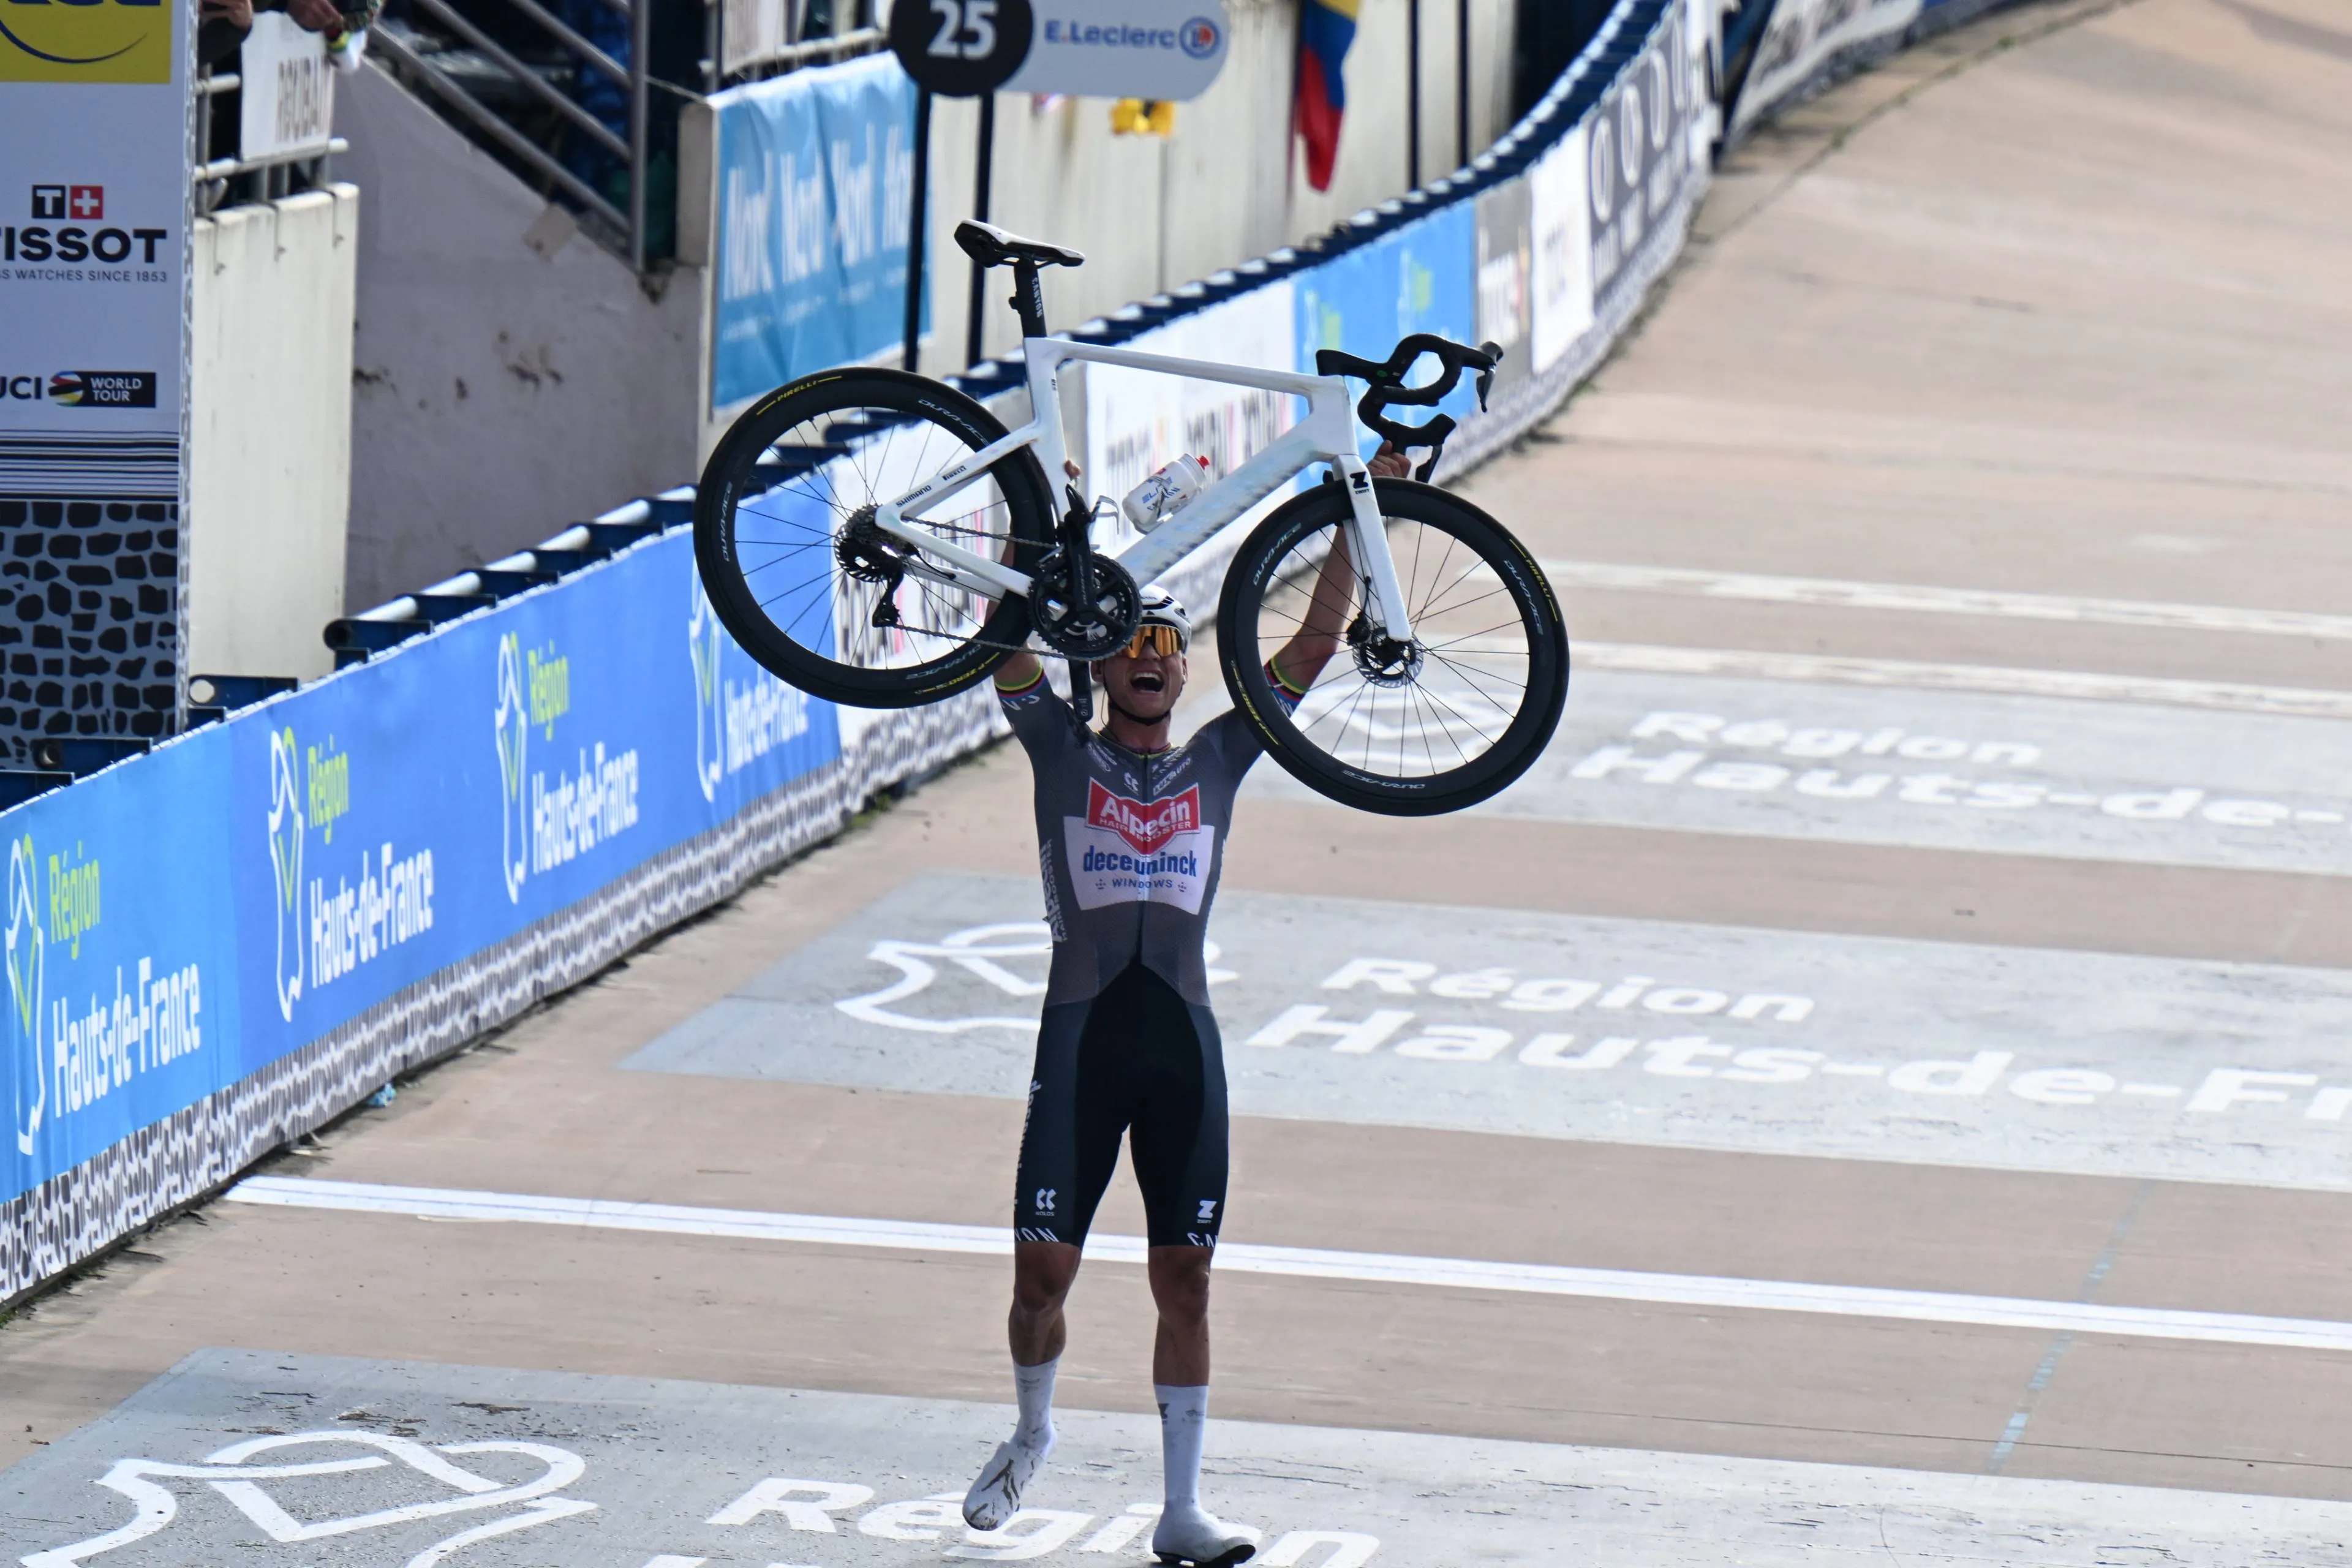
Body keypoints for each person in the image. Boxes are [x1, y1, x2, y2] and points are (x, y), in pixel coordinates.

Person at [962, 450, 1407, 1567]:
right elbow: (1004, 639)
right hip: (1082, 1040)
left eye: (1168, 648)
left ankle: (1180, 1510)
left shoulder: (1222, 754)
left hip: (1183, 1048)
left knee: (1188, 1277)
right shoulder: (1057, 750)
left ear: (1185, 667)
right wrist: (1033, 526)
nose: (1151, 664)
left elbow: (1309, 648)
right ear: (1105, 663)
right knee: (1041, 1279)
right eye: (1131, 648)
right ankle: (1032, 1427)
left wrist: (1361, 517)